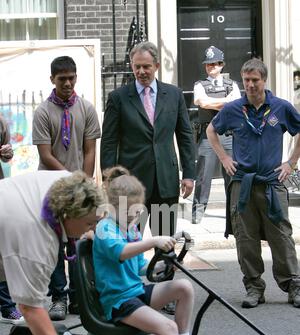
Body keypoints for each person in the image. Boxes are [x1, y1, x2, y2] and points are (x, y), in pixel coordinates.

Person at [93, 168, 227, 335]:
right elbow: (121, 253)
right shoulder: (105, 229)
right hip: (118, 301)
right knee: (167, 327)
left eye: (137, 212)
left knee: (183, 287)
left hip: (134, 292)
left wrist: (163, 268)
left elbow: (139, 268)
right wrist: (153, 241)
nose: (134, 217)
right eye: (129, 212)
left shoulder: (130, 228)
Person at [0, 170, 105, 335]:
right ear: (69, 215)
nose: (93, 228)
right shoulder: (37, 244)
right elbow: (29, 308)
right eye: (89, 223)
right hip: (15, 224)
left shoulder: (70, 183)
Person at [207, 58, 300, 308]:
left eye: (255, 80)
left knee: (281, 235)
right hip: (243, 184)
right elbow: (211, 131)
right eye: (246, 80)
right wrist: (224, 157)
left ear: (264, 80)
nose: (250, 85)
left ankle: (293, 285)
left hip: (272, 182)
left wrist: (291, 162)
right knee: (245, 237)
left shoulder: (281, 107)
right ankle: (254, 287)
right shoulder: (233, 109)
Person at [100, 41, 195, 238]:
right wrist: (109, 179)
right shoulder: (118, 98)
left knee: (165, 242)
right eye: (137, 67)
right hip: (131, 184)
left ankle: (165, 270)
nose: (142, 71)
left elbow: (185, 136)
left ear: (157, 66)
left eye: (146, 66)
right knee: (129, 242)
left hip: (165, 182)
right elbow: (109, 141)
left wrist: (188, 174)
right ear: (132, 66)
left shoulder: (174, 95)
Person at [32, 55, 101, 321]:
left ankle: (78, 296)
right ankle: (58, 297)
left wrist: (83, 181)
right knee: (54, 244)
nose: (68, 83)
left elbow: (90, 148)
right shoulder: (43, 112)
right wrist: (69, 180)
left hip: (79, 186)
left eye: (72, 78)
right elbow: (45, 154)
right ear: (52, 80)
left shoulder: (86, 108)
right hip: (50, 186)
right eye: (62, 79)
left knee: (79, 241)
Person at [192, 46, 241, 224]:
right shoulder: (199, 85)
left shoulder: (232, 84)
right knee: (203, 175)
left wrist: (213, 102)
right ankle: (198, 212)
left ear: (221, 65)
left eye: (214, 64)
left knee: (232, 174)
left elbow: (235, 103)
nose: (211, 67)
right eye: (208, 64)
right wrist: (224, 103)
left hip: (228, 135)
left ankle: (233, 212)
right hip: (207, 136)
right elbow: (201, 101)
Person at [0, 116, 25, 325]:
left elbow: (7, 155)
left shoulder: (1, 122)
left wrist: (7, 153)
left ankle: (7, 306)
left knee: (3, 247)